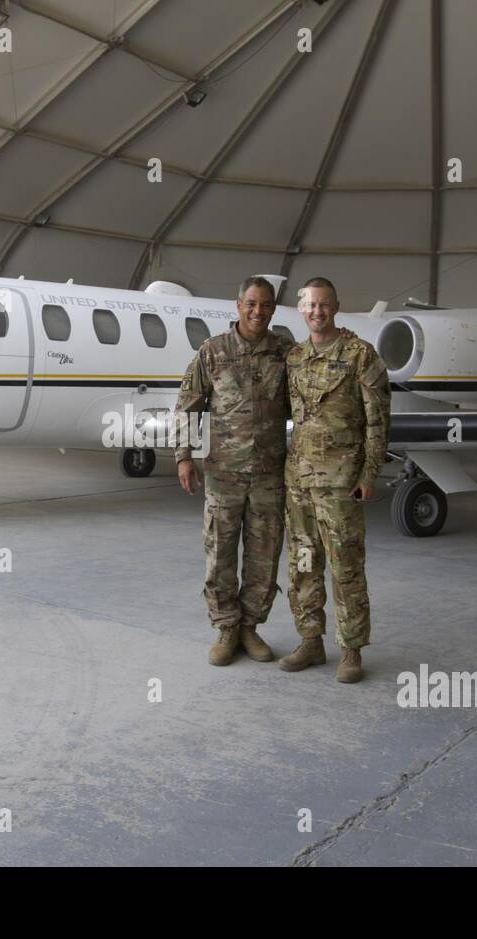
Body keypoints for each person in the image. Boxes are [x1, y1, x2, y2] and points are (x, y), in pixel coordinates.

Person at [279, 278, 391, 683]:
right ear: (301, 309)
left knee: (346, 568)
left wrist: (370, 473)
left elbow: (378, 421)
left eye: (324, 305)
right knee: (303, 565)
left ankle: (351, 650)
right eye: (310, 305)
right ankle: (310, 641)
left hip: (341, 484)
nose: (317, 311)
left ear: (336, 307)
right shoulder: (294, 358)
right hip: (299, 485)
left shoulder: (361, 355)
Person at [175, 276, 291, 665]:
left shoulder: (285, 354)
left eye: (266, 305)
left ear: (273, 308)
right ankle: (226, 627)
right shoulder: (213, 352)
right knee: (220, 553)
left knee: (264, 555)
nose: (258, 311)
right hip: (224, 475)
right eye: (252, 304)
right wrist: (183, 456)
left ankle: (250, 628)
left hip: (269, 476)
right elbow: (188, 405)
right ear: (238, 304)